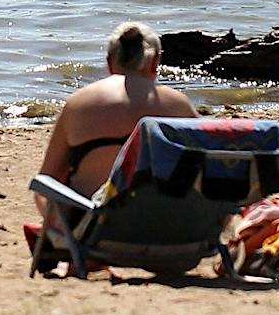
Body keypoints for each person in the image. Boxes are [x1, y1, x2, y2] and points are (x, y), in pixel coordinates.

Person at [36, 21, 197, 200]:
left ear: (109, 62)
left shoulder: (78, 104)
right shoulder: (178, 104)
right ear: (155, 62)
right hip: (164, 220)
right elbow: (209, 162)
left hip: (91, 220)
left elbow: (47, 179)